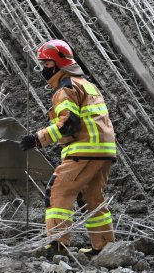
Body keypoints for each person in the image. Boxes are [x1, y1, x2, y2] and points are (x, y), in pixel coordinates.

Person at [19, 39, 116, 255]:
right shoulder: (87, 85)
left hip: (84, 151)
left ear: (55, 64)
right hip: (105, 152)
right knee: (92, 197)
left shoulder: (66, 88)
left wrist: (37, 138)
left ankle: (57, 245)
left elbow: (69, 123)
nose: (43, 69)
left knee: (57, 191)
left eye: (45, 64)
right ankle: (105, 248)